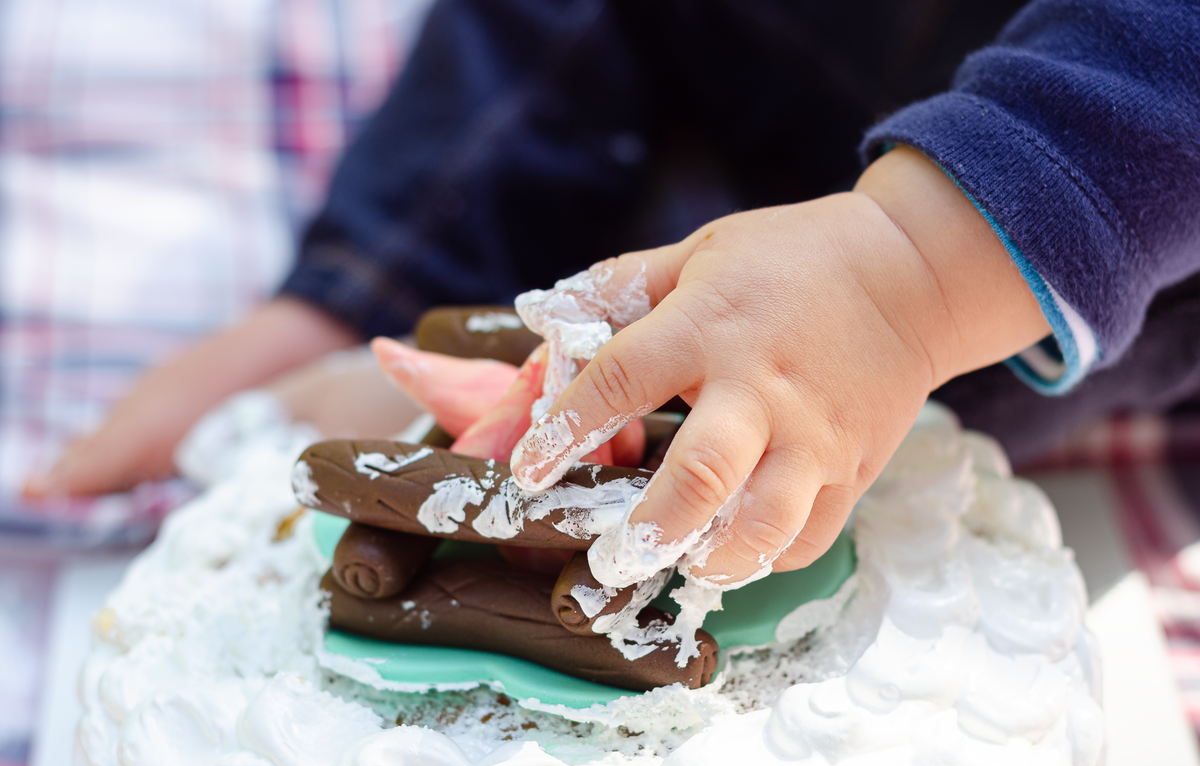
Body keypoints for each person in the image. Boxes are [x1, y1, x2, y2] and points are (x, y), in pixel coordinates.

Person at [27, 0, 1200, 585]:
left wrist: (902, 273)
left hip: (1074, 208)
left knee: (783, 410)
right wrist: (373, 280)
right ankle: (367, 295)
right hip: (805, 52)